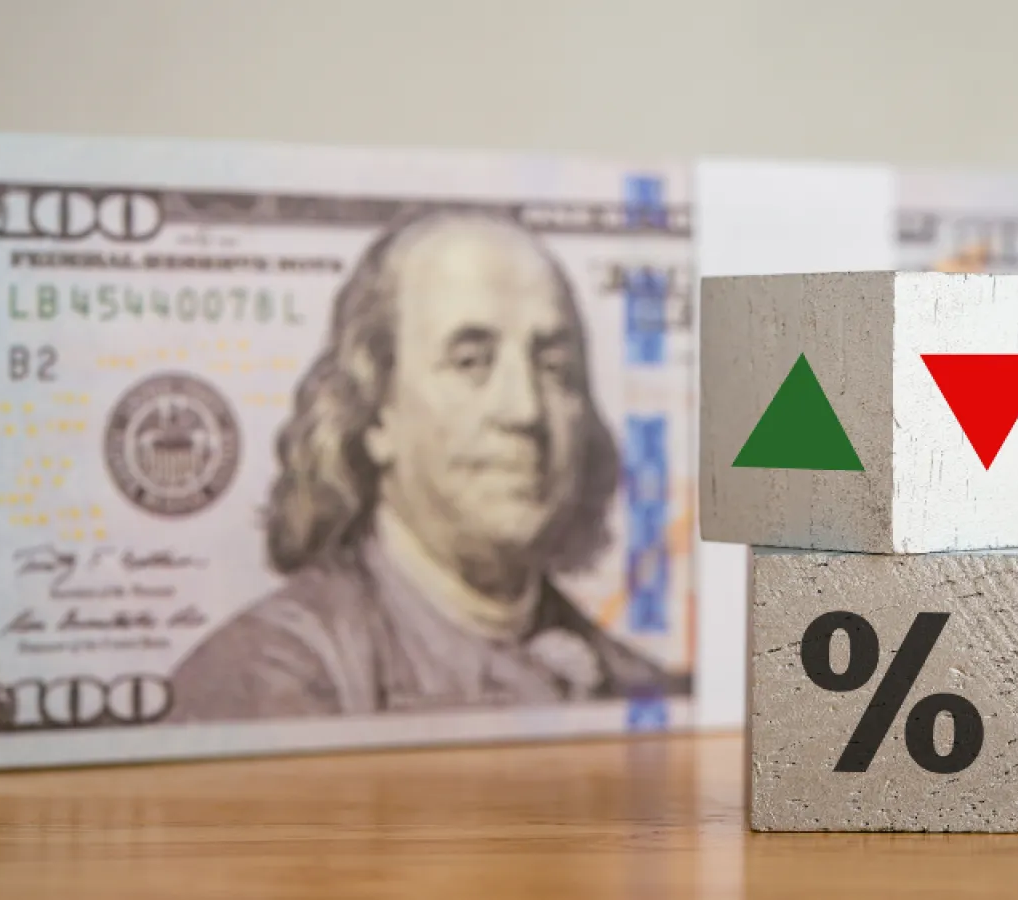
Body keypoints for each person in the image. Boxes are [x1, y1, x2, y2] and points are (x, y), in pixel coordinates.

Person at [165, 209, 682, 721]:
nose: (524, 409)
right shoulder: (259, 678)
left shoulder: (644, 687)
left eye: (554, 368)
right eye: (470, 362)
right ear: (375, 414)